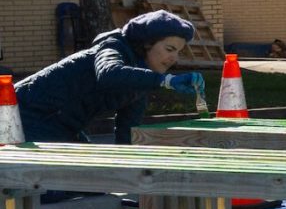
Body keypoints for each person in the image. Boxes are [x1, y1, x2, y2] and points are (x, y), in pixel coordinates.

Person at [16, 10, 204, 143]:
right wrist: (167, 81)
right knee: (54, 187)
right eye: (169, 49)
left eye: (178, 52)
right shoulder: (113, 47)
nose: (174, 59)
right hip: (20, 115)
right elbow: (109, 73)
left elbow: (127, 131)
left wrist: (132, 180)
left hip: (59, 126)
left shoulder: (139, 79)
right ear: (146, 44)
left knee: (94, 183)